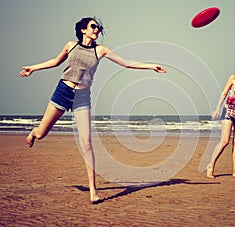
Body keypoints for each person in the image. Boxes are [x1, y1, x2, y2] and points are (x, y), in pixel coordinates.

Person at [19, 17, 166, 203]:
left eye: (98, 27)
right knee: (41, 134)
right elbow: (56, 62)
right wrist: (33, 68)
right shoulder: (71, 46)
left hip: (82, 97)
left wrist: (151, 66)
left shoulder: (100, 50)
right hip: (62, 91)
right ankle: (33, 133)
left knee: (87, 144)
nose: (97, 30)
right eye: (93, 26)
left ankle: (93, 191)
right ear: (83, 30)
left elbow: (127, 63)